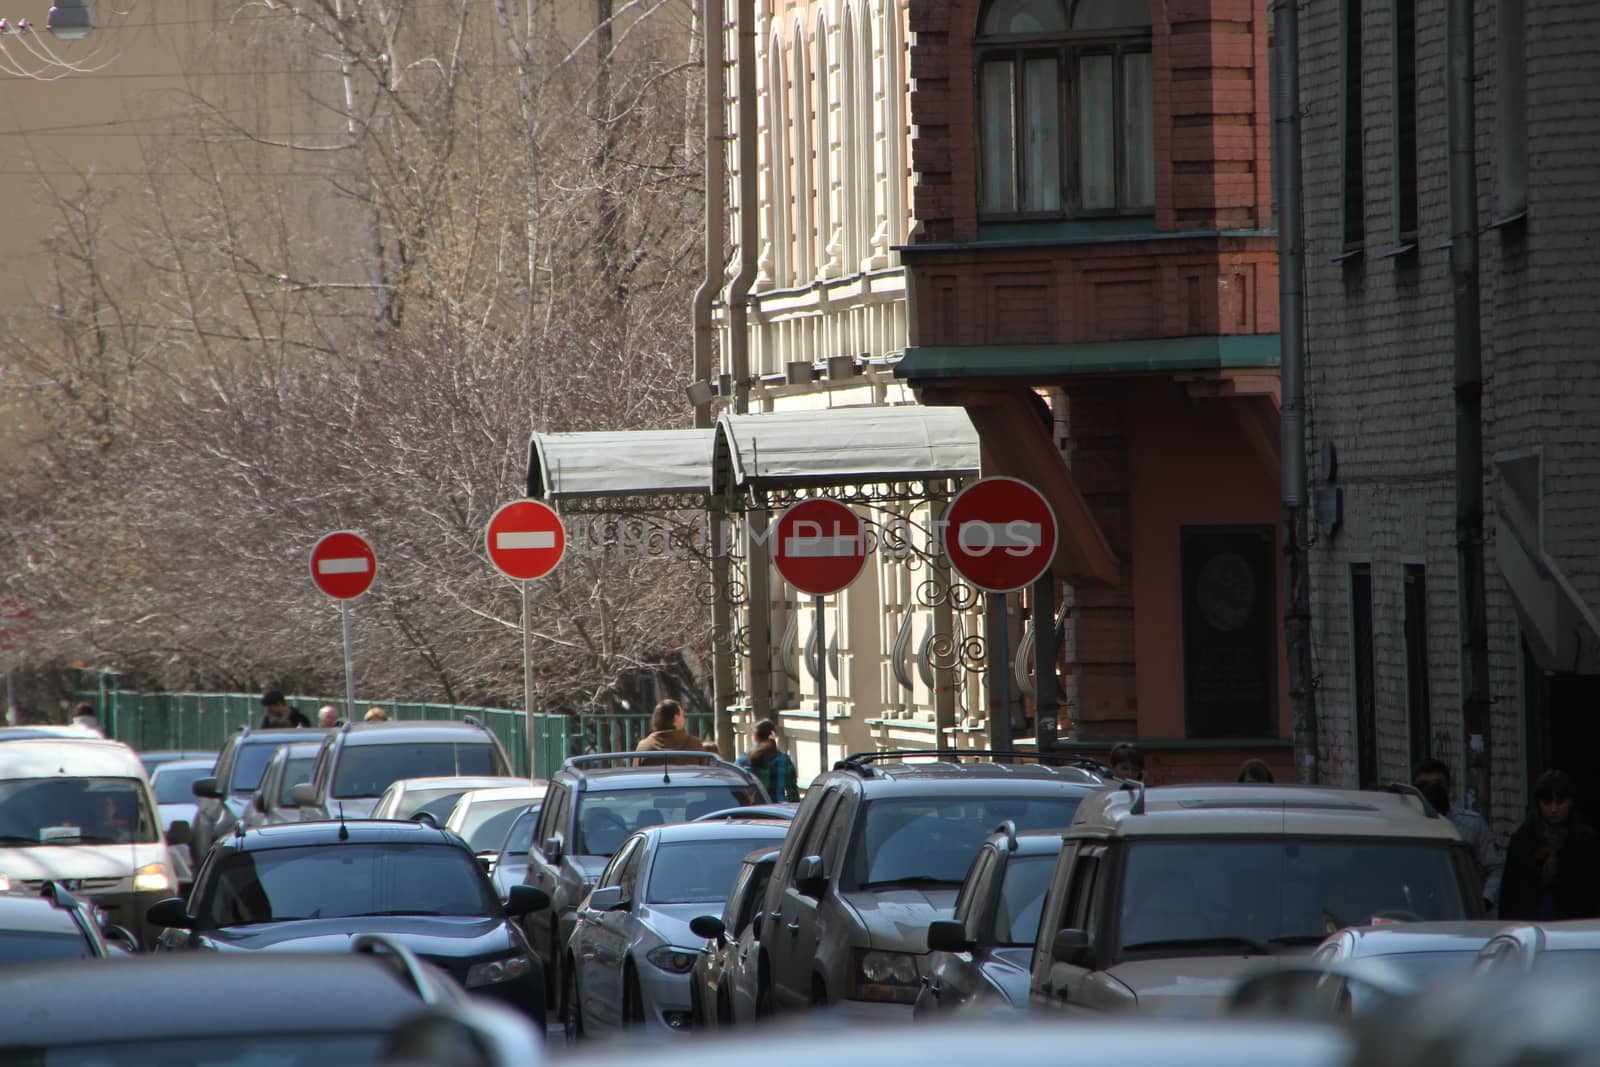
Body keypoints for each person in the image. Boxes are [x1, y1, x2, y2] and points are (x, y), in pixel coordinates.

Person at [1498, 769, 1600, 921]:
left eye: (1560, 802)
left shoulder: (1585, 840)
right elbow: (1510, 893)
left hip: (1575, 924)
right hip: (1531, 922)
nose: (1553, 809)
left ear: (1570, 802)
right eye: (1547, 802)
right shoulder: (1523, 840)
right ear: (1538, 804)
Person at [1413, 757, 1503, 909]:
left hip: (1462, 910)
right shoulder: (1406, 825)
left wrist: (1484, 901)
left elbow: (1496, 867)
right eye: (1423, 785)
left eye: (1437, 784)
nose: (1431, 789)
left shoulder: (1471, 825)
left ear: (1448, 788)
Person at [736, 719, 800, 802]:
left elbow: (736, 791)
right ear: (774, 735)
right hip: (777, 811)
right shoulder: (784, 760)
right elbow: (793, 793)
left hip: (752, 811)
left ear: (754, 736)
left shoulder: (742, 761)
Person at [634, 699, 706, 765]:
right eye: (683, 716)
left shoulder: (644, 747)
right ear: (676, 718)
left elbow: (635, 775)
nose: (684, 719)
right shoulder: (694, 745)